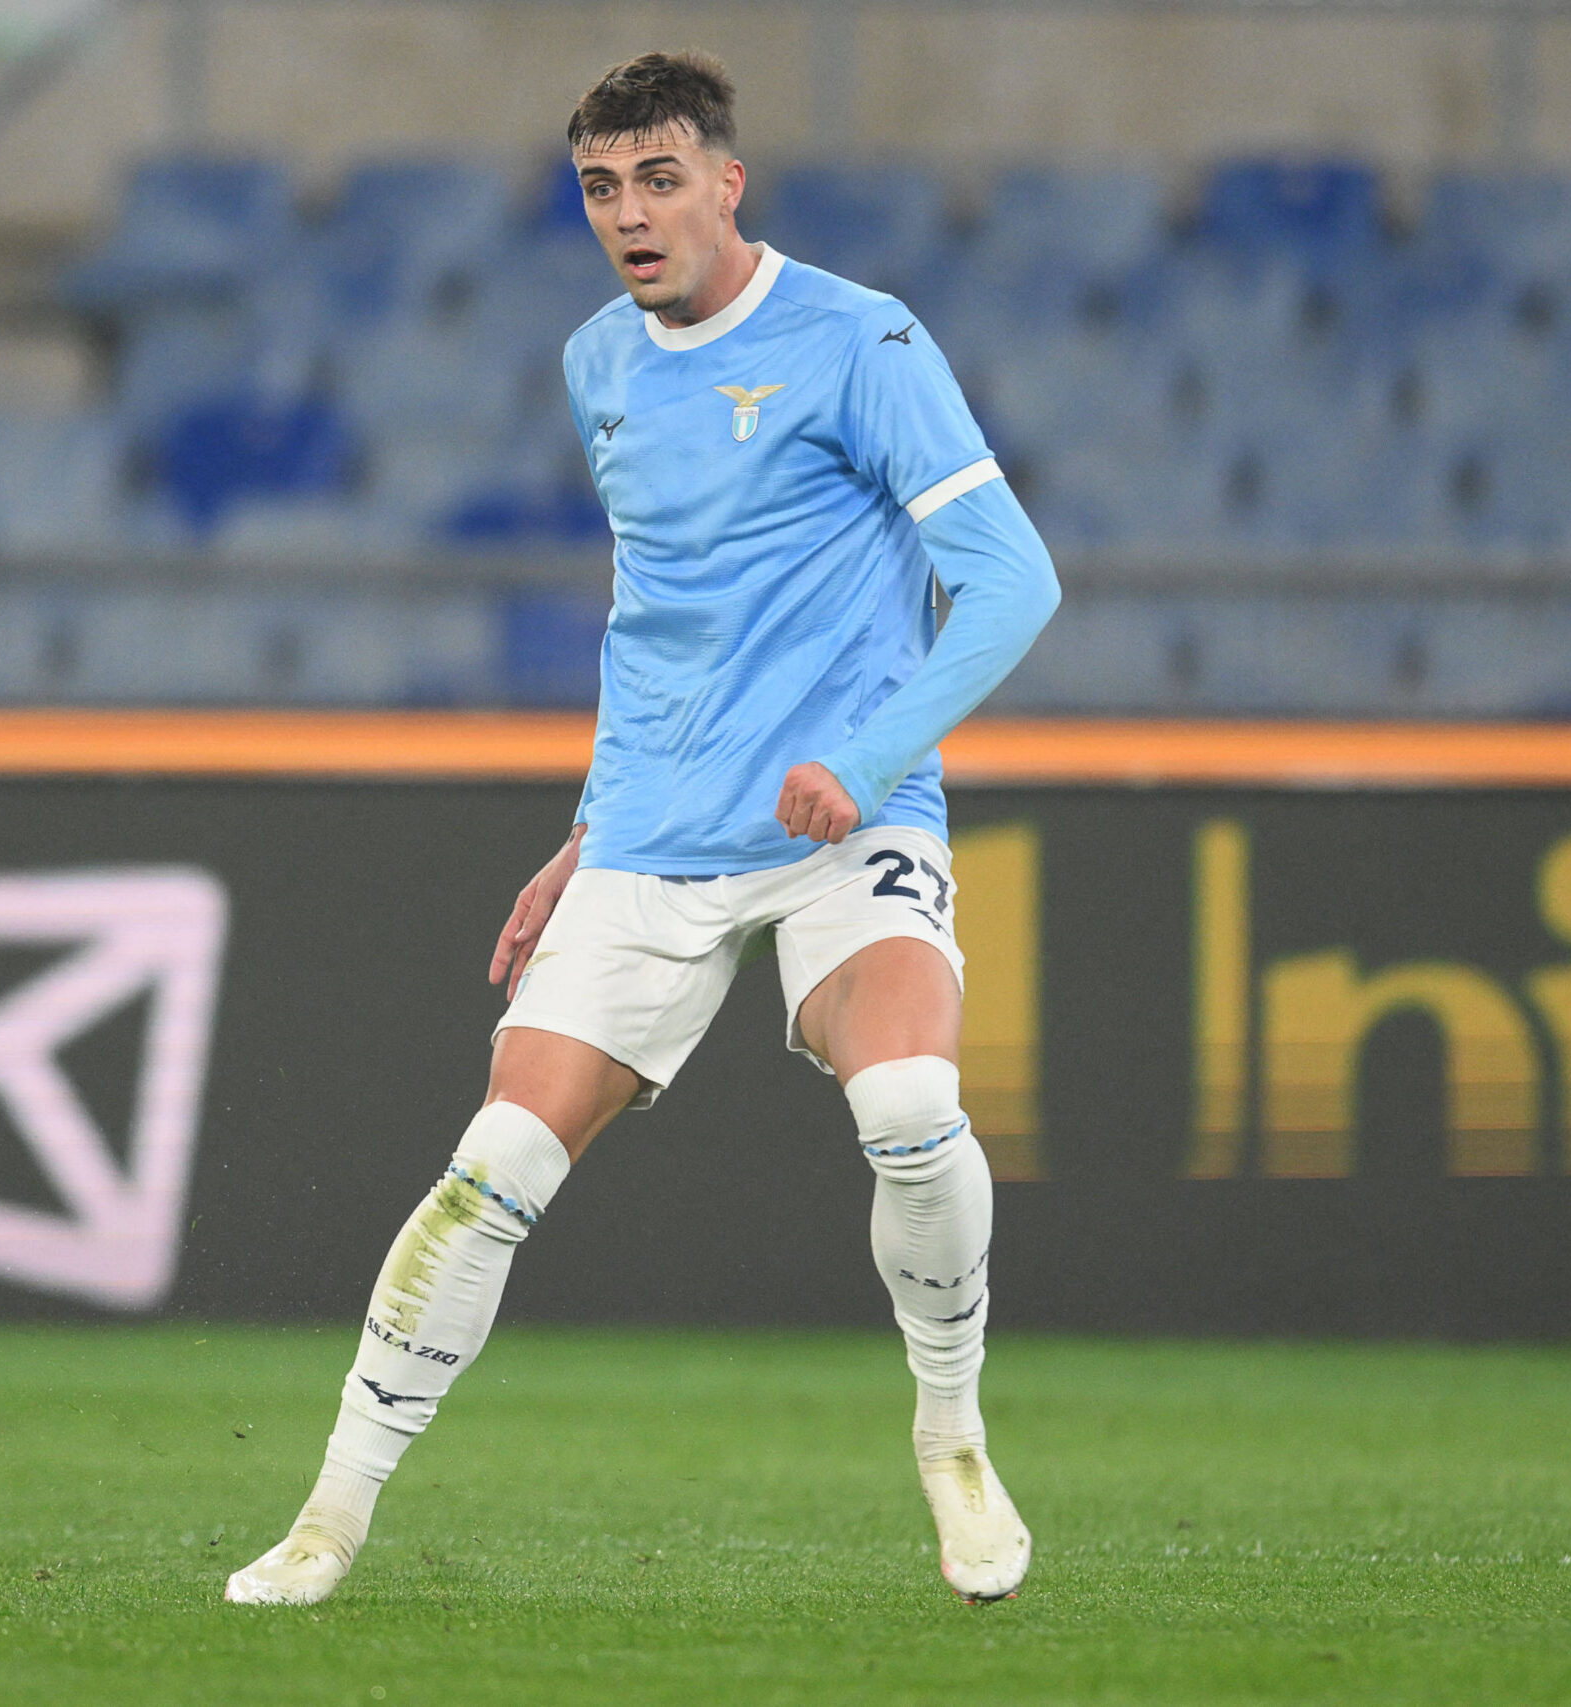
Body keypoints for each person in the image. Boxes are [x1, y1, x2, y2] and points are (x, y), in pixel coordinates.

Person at [227, 49, 1061, 1608]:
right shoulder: (599, 361)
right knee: (489, 1172)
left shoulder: (861, 339)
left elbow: (1015, 580)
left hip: (840, 820)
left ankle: (951, 1436)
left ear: (728, 183)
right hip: (655, 833)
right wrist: (585, 830)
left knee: (911, 1103)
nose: (629, 213)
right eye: (601, 187)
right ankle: (327, 1522)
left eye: (659, 179)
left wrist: (869, 757)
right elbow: (657, 621)